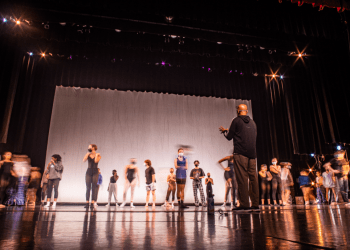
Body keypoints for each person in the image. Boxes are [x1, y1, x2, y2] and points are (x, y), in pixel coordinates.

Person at [219, 104, 259, 211]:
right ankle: (255, 204)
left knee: (242, 178)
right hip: (252, 155)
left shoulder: (236, 120)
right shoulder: (253, 122)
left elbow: (229, 137)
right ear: (246, 111)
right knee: (253, 179)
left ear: (238, 110)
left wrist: (225, 132)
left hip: (240, 153)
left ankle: (244, 204)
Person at [83, 144, 102, 209]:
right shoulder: (88, 154)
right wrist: (87, 154)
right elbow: (84, 160)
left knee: (94, 187)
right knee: (88, 187)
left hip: (95, 172)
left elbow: (96, 161)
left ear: (93, 148)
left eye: (89, 146)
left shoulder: (98, 155)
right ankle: (87, 202)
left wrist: (96, 155)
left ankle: (92, 202)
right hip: (89, 171)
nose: (88, 148)